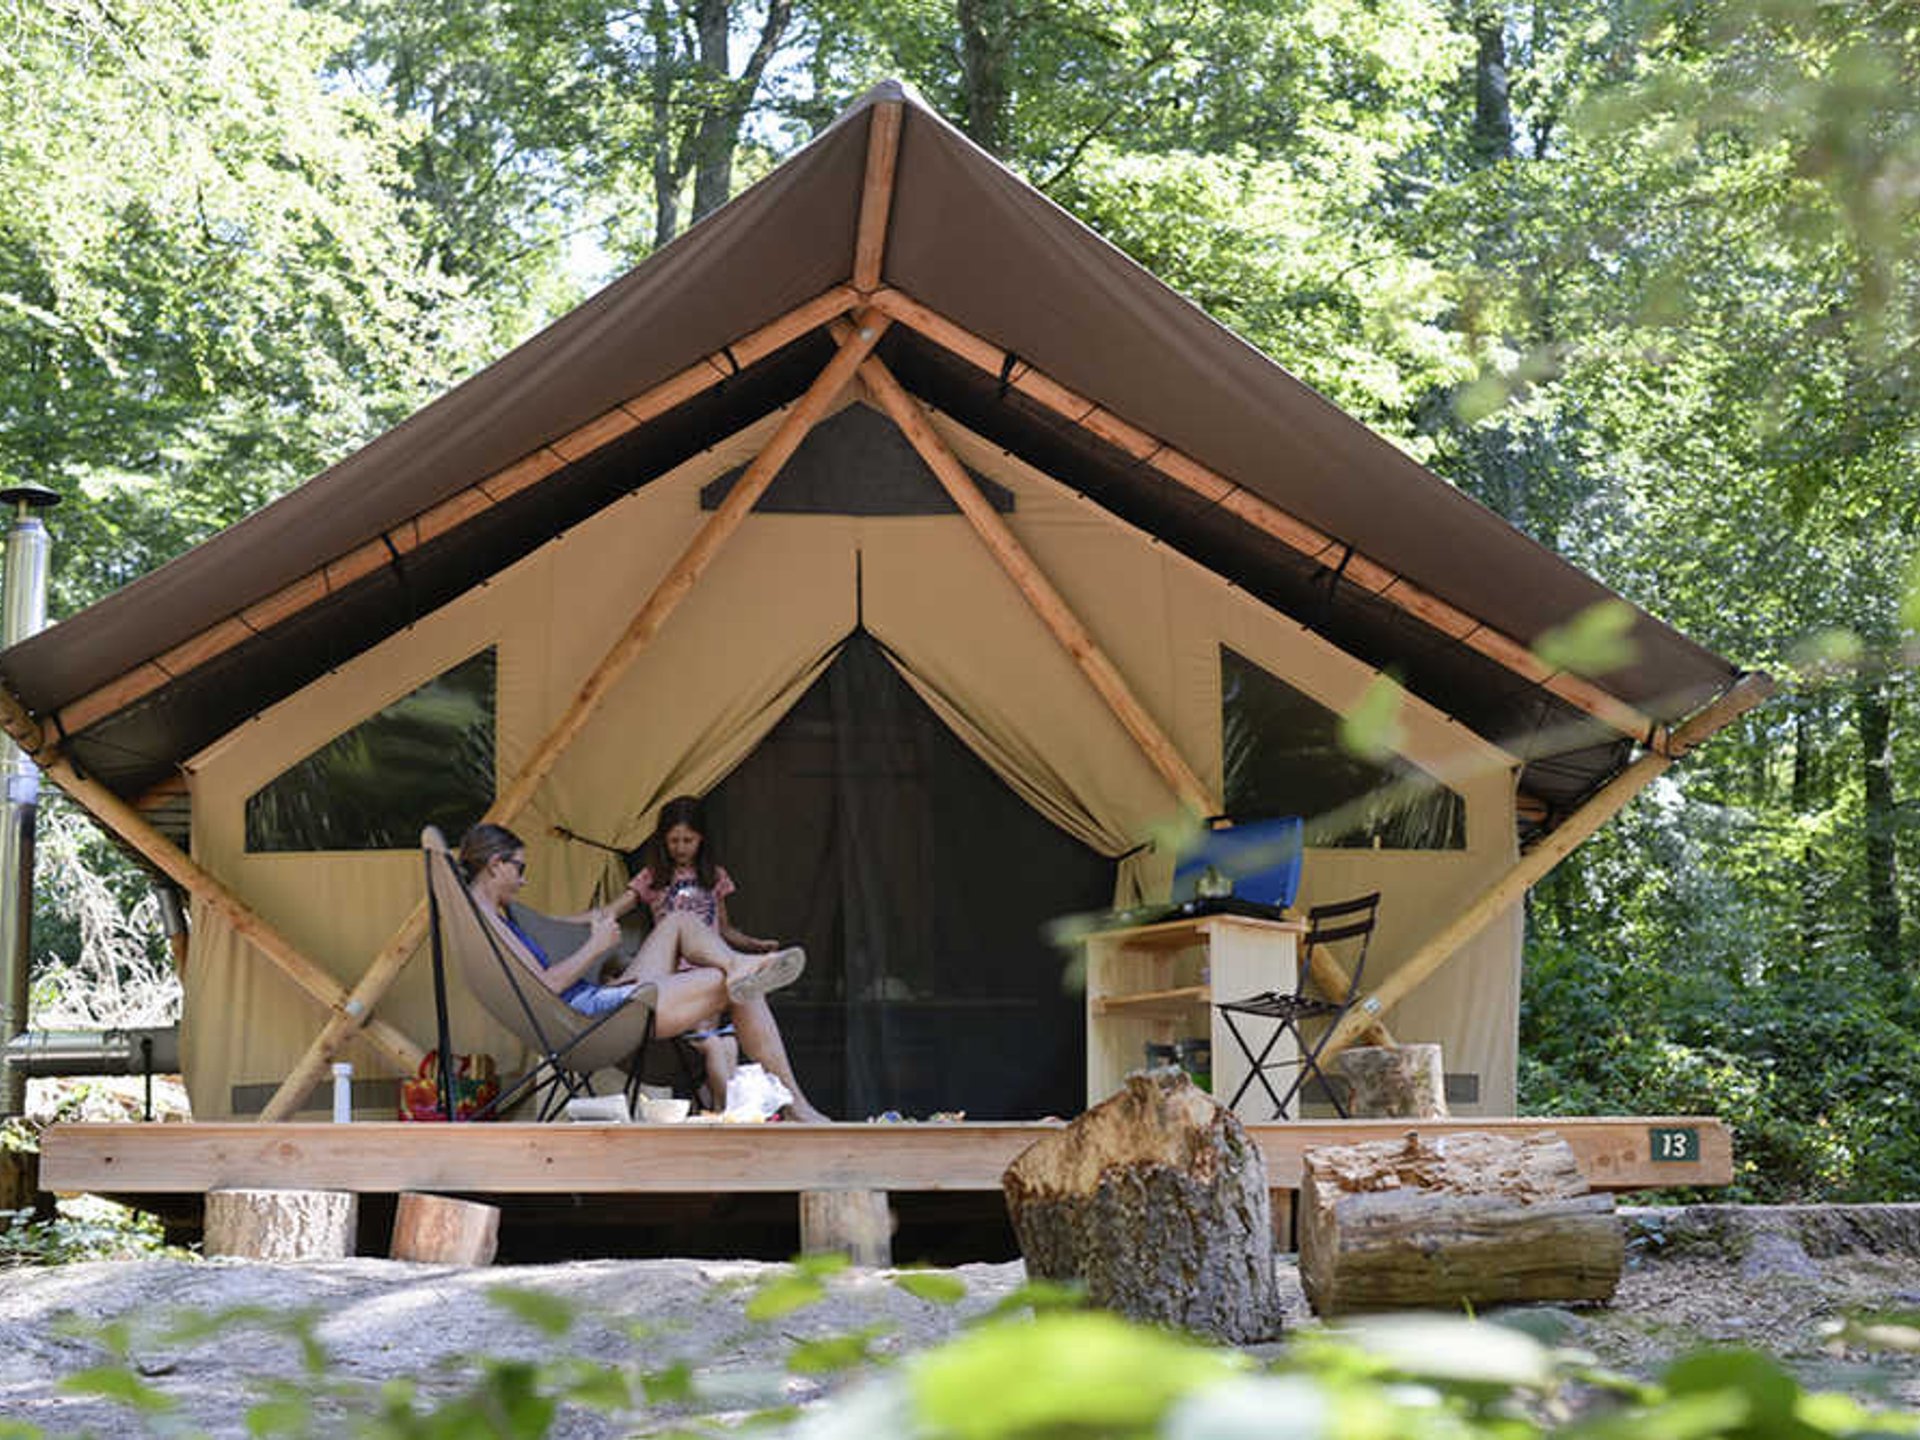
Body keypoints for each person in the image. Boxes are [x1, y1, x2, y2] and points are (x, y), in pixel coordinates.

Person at [458, 823, 826, 1120]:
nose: (523, 879)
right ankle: (797, 1106)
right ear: (495, 865)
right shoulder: (490, 924)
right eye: (520, 868)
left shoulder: (485, 917)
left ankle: (737, 965)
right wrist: (596, 948)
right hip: (589, 1017)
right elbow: (545, 985)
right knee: (737, 987)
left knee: (680, 920)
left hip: (593, 1002)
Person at [606, 796, 830, 1122]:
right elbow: (612, 910)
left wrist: (752, 943)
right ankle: (742, 1108)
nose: (681, 848)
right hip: (676, 976)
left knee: (727, 1042)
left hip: (715, 966)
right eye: (674, 841)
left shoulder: (714, 876)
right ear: (663, 841)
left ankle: (734, 1111)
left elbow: (722, 928)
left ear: (702, 839)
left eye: (688, 840)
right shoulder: (652, 876)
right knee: (716, 1042)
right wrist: (578, 923)